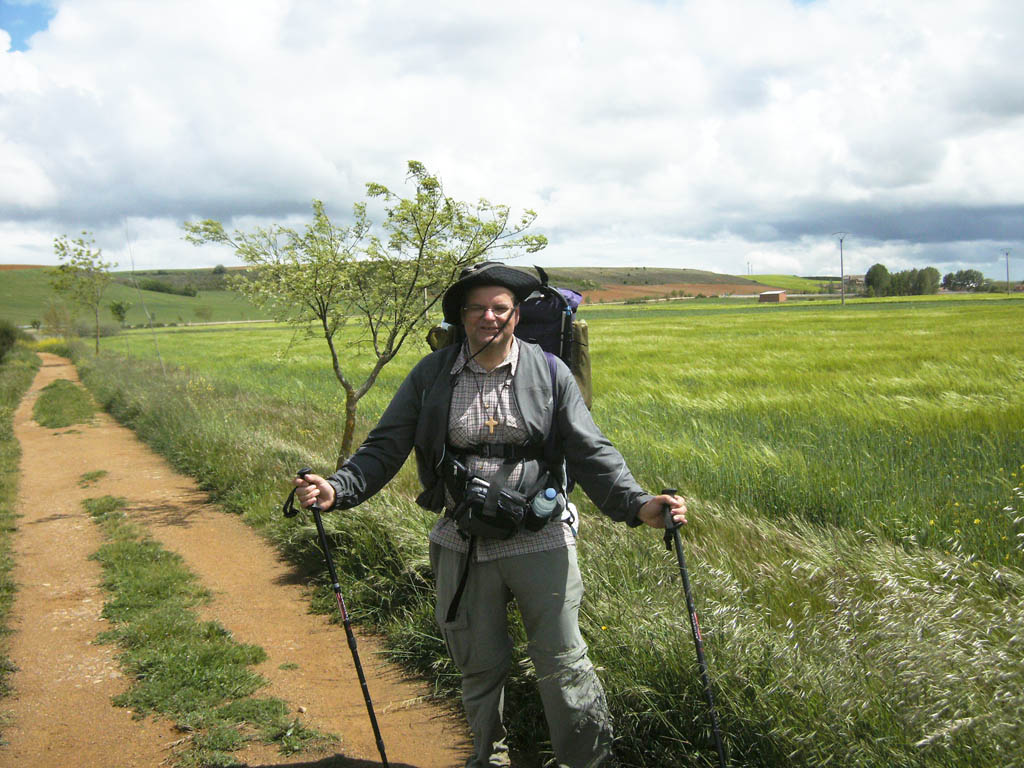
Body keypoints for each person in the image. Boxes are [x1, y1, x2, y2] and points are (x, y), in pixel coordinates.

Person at [293, 262, 687, 768]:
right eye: (477, 308)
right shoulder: (433, 375)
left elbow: (590, 449)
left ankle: (586, 761)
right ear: (461, 317)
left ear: (516, 314)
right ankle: (488, 759)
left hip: (541, 538)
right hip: (463, 542)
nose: (489, 317)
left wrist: (638, 504)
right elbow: (386, 445)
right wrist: (338, 488)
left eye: (500, 308)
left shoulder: (550, 372)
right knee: (478, 666)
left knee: (565, 664)